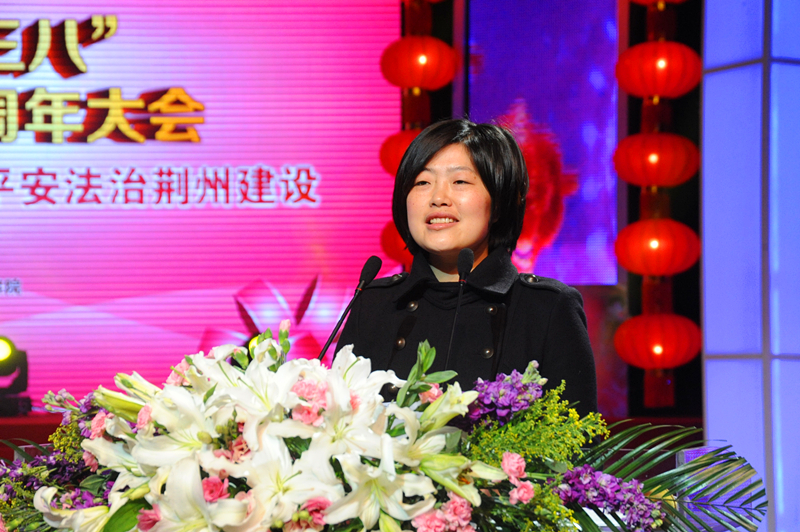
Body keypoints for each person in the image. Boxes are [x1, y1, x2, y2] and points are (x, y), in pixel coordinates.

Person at [336, 119, 597, 415]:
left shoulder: (546, 309)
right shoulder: (374, 303)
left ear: (498, 202)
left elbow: (577, 436)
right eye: (422, 182)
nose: (438, 198)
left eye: (460, 182)